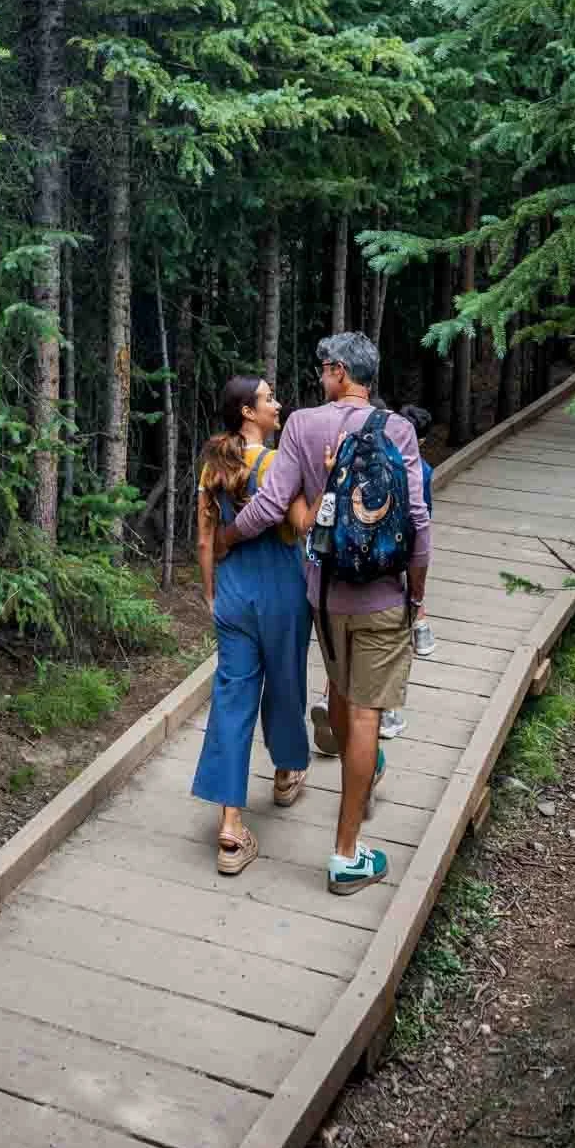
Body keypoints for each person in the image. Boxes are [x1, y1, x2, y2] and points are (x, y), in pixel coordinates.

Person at [217, 331, 430, 894]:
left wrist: (225, 538)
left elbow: (268, 506)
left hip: (326, 594)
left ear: (338, 371)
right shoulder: (399, 430)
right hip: (384, 594)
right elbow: (418, 520)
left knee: (341, 693)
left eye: (322, 369)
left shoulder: (304, 426)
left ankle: (363, 771)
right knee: (367, 714)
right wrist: (417, 592)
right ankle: (346, 854)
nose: (318, 378)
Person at [190, 376, 313, 875]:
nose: (277, 404)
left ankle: (231, 827)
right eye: (268, 399)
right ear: (247, 412)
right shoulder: (282, 462)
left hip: (234, 594)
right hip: (283, 590)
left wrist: (211, 592)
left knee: (232, 697)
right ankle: (285, 774)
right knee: (286, 683)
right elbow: (301, 526)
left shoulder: (213, 466)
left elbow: (203, 541)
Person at [381, 403, 439, 740]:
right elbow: (422, 518)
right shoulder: (423, 470)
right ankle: (420, 626)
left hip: (362, 556)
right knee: (393, 632)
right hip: (402, 551)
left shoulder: (370, 461)